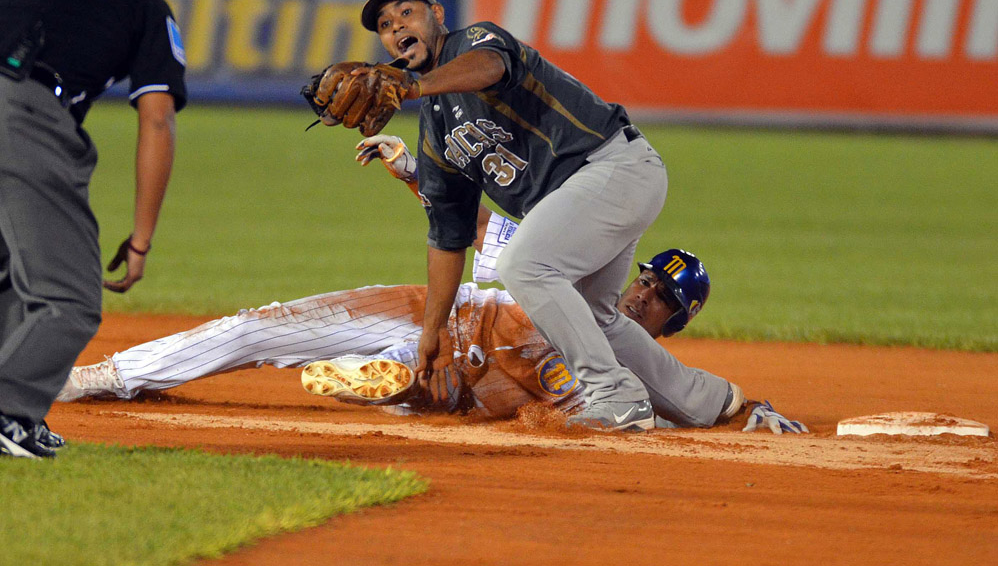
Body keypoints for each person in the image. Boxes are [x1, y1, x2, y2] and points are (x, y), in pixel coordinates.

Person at [57, 137, 807, 434]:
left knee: (424, 386)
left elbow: (677, 395)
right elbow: (474, 225)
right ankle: (109, 375)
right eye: (649, 280)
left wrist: (746, 410)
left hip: (466, 380)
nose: (647, 295)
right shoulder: (563, 255)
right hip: (435, 312)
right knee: (260, 325)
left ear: (671, 323)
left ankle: (391, 384)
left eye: (664, 302)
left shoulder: (622, 347)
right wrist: (413, 167)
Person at [356, 0, 676, 431]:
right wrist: (434, 330)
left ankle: (615, 395)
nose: (397, 26)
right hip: (581, 196)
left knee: (525, 266)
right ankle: (713, 402)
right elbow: (448, 237)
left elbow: (491, 66)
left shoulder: (474, 43)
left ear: (437, 14)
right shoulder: (435, 128)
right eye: (386, 24)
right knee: (592, 316)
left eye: (407, 12)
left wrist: (411, 87)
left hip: (612, 166)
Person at [0, 0, 186, 459]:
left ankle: (20, 416)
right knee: (69, 299)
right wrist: (141, 238)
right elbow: (156, 120)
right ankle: (7, 413)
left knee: (9, 275)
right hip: (22, 112)